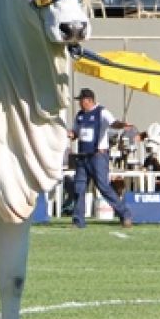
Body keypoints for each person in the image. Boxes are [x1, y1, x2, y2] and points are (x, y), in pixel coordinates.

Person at [67, 88, 133, 229]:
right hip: (82, 157)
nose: (79, 103)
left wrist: (122, 124)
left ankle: (124, 214)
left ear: (89, 100)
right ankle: (78, 221)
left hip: (98, 156)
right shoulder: (79, 115)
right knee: (79, 188)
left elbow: (113, 123)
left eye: (81, 100)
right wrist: (71, 134)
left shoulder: (101, 112)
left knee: (104, 187)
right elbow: (77, 133)